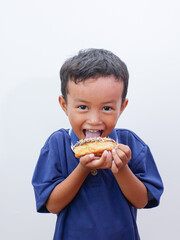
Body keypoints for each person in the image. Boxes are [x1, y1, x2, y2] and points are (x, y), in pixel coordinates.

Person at [32, 48, 163, 240]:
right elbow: (53, 205)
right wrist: (82, 168)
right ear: (64, 105)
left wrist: (122, 168)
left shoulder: (131, 145)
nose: (94, 120)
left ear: (122, 107)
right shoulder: (57, 144)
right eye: (82, 107)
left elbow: (142, 201)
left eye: (107, 108)